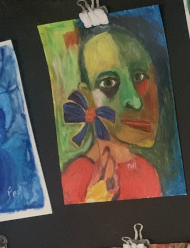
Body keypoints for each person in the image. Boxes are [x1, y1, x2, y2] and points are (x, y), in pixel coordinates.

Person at [61, 24, 164, 202]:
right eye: (108, 83)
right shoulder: (75, 178)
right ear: (87, 96)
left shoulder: (149, 173)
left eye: (139, 77)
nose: (135, 101)